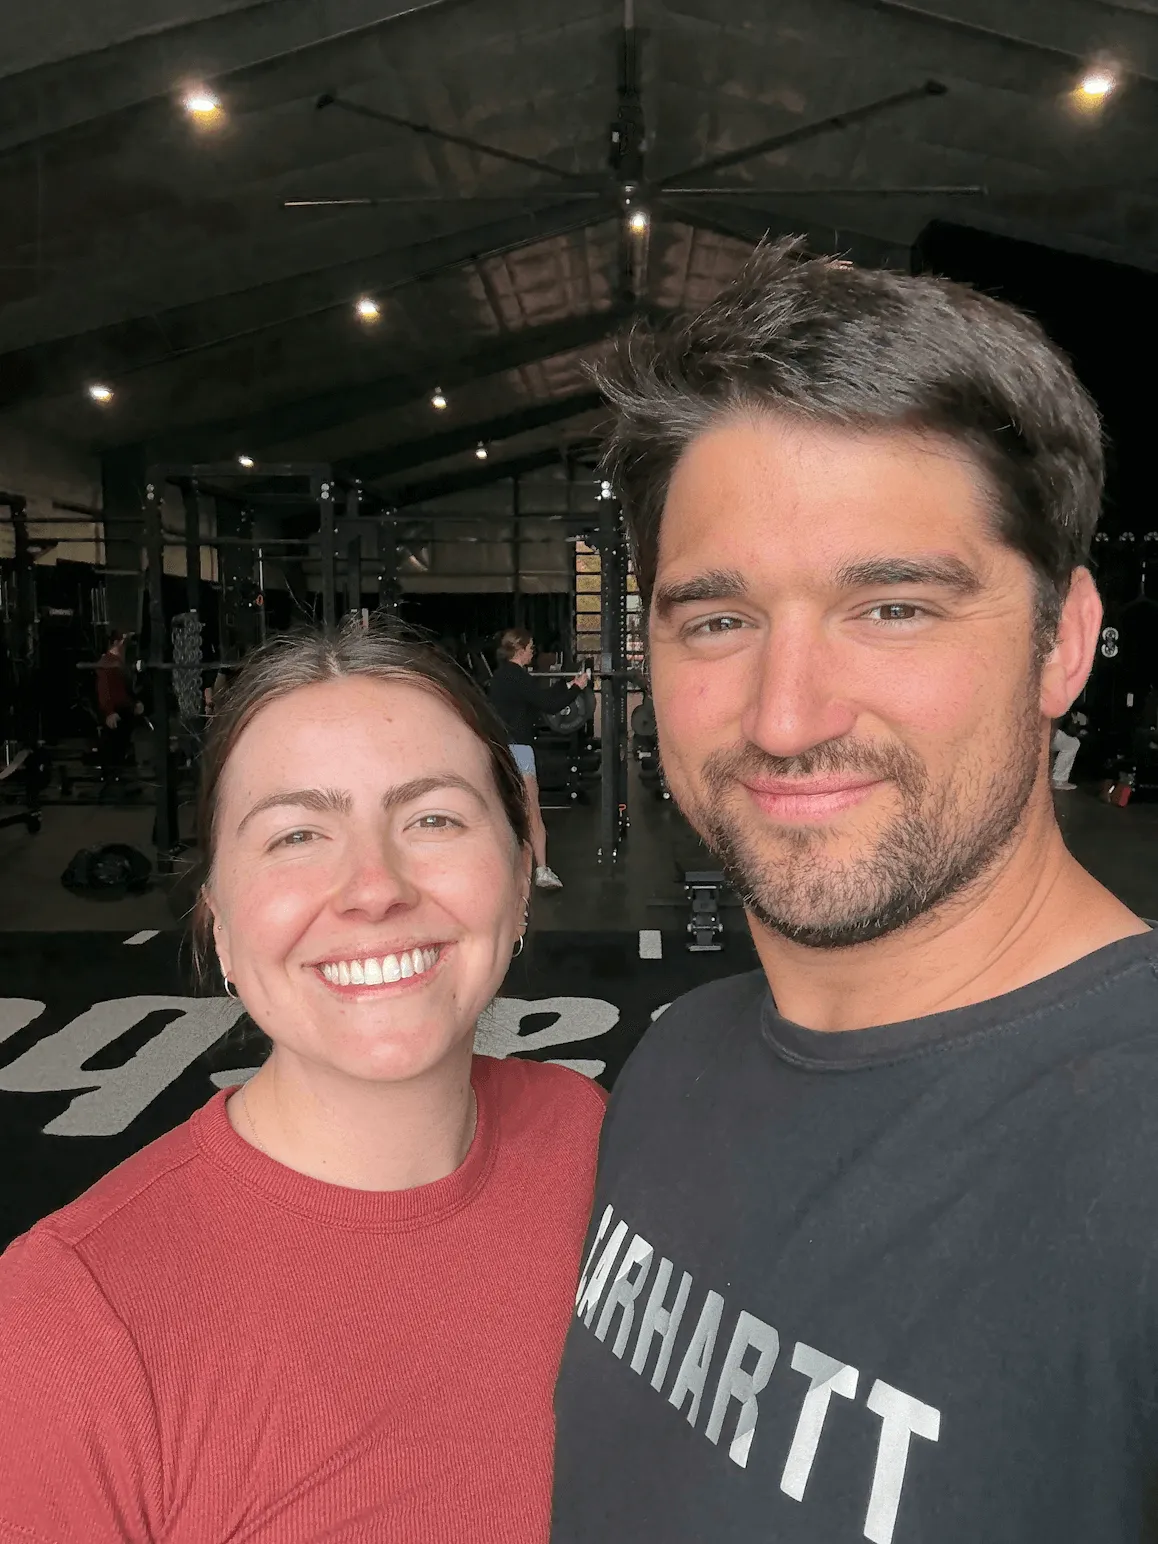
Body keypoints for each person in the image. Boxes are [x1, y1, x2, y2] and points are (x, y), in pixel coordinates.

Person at [550, 239, 1158, 1543]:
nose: (786, 718)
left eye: (891, 607)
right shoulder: (675, 1061)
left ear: (1061, 640)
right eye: (719, 620)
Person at [0, 621, 605, 1543]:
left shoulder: (592, 1136)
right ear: (218, 921)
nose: (374, 886)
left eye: (433, 819)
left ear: (524, 867)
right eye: (296, 835)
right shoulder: (64, 1324)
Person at [488, 627, 589, 890]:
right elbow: (550, 705)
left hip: (499, 749)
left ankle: (501, 871)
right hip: (519, 750)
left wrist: (568, 685)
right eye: (531, 647)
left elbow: (539, 698)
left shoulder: (500, 677)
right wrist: (577, 688)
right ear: (519, 649)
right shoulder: (518, 676)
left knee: (505, 809)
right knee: (532, 810)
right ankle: (542, 870)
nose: (533, 652)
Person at [94, 629, 144, 783]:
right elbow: (104, 690)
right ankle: (112, 779)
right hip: (115, 712)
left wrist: (134, 703)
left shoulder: (120, 663)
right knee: (113, 749)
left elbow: (124, 690)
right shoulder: (108, 663)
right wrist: (109, 712)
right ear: (115, 643)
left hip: (123, 710)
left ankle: (120, 778)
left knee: (122, 747)